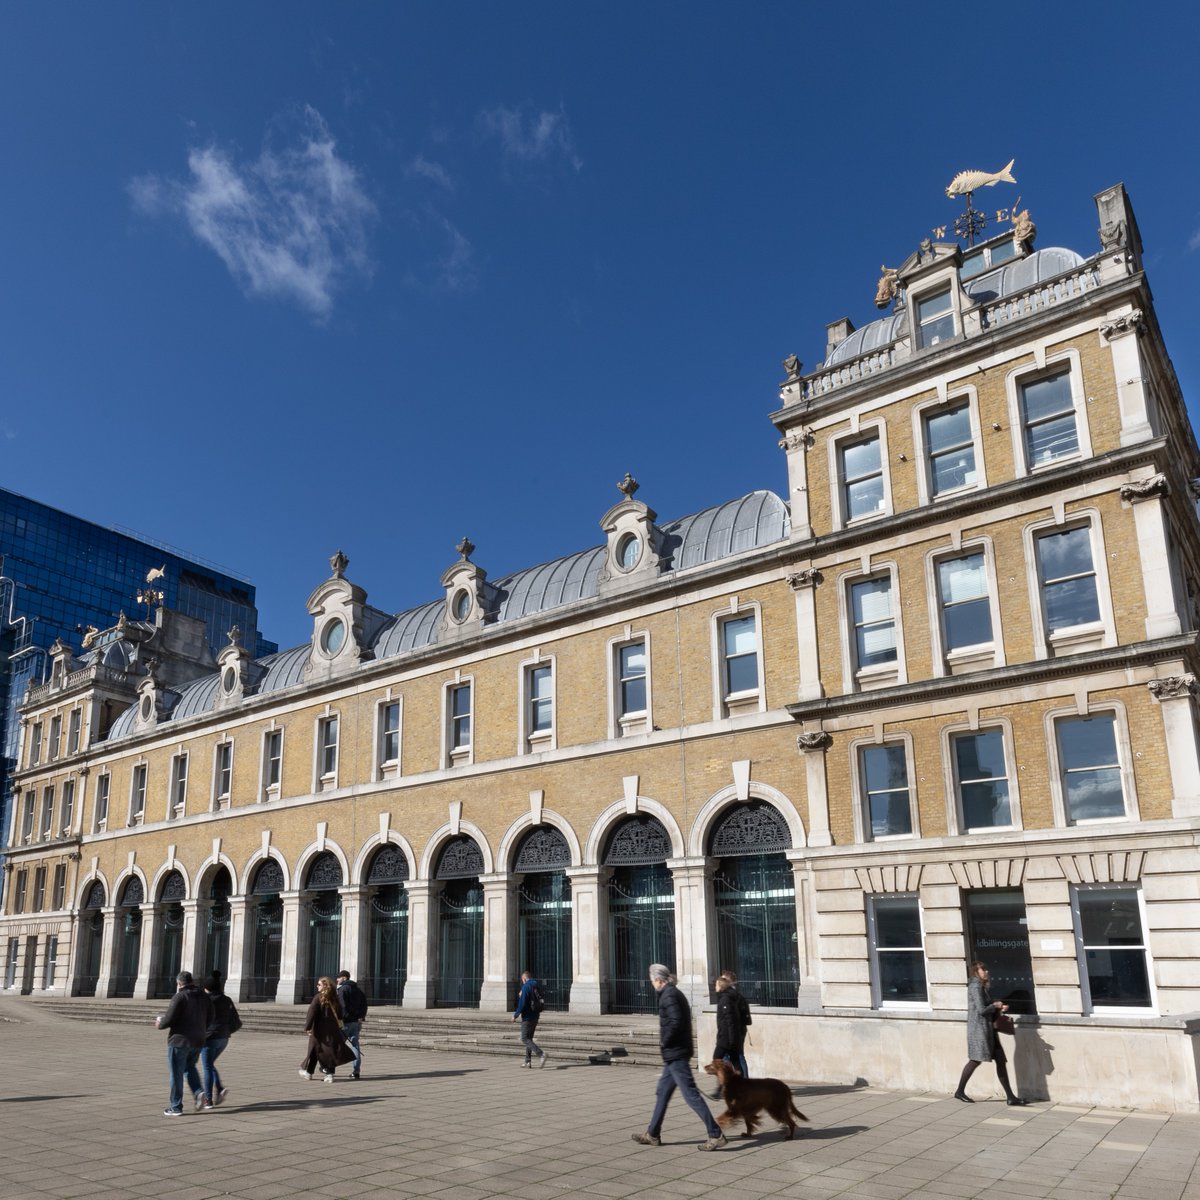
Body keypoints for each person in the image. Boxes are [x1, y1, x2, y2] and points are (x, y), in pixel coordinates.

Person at [632, 964, 726, 1151]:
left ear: (658, 980)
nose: (652, 984)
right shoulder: (671, 994)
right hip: (674, 1054)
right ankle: (653, 1133)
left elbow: (675, 1022)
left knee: (691, 1095)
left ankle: (715, 1134)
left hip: (676, 1053)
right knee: (662, 1093)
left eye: (652, 981)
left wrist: (664, 1042)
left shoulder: (670, 995)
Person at [954, 961, 1027, 1106]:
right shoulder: (975, 986)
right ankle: (960, 1091)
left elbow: (985, 1007)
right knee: (975, 1060)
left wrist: (998, 1007)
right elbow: (981, 1010)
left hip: (989, 1030)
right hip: (979, 1030)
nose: (987, 972)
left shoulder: (981, 986)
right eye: (983, 970)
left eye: (987, 969)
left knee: (1000, 1060)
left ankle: (1011, 1097)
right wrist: (995, 1005)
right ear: (976, 971)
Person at [155, 970, 214, 1117]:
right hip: (198, 1039)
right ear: (192, 981)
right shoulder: (204, 996)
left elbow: (169, 1018)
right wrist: (202, 1029)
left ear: (179, 983)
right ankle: (199, 1092)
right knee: (189, 1066)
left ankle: (176, 1107)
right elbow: (212, 1016)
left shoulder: (180, 996)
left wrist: (159, 1024)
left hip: (180, 1040)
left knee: (176, 1073)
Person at [299, 975, 354, 1082]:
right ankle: (313, 1072)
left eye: (319, 984)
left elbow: (311, 1013)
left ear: (325, 986)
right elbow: (340, 1014)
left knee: (321, 1049)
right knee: (323, 1049)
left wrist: (308, 1027)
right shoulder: (335, 998)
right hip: (332, 1029)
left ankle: (325, 1073)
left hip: (319, 1029)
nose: (317, 986)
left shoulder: (318, 997)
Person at [201, 970, 241, 1107]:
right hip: (223, 1038)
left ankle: (208, 1099)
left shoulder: (205, 1000)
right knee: (210, 1064)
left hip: (209, 1038)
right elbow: (236, 1020)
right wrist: (227, 1031)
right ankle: (219, 1088)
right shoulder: (226, 999)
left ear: (207, 988)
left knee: (207, 1067)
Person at [710, 975, 749, 1098]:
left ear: (720, 986)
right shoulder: (725, 998)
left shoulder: (725, 1000)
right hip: (729, 1038)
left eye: (716, 984)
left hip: (726, 1039)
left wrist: (732, 1040)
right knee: (735, 1062)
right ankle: (737, 1088)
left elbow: (730, 1021)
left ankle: (722, 1088)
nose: (714, 986)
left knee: (717, 1060)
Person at [335, 969, 368, 1080]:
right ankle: (356, 1071)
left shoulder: (343, 990)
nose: (337, 980)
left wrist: (341, 1020)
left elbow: (342, 1006)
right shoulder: (358, 990)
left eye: (339, 978)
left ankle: (330, 1068)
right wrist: (361, 1017)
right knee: (355, 1046)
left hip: (346, 1022)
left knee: (338, 1045)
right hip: (356, 1022)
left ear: (344, 978)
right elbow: (364, 1005)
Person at [512, 969, 547, 1068]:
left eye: (522, 980)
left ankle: (541, 1054)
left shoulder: (526, 986)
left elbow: (522, 1004)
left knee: (524, 1038)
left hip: (527, 1016)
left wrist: (515, 1015)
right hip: (536, 1015)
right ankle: (528, 1061)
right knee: (529, 1038)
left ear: (524, 978)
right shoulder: (536, 985)